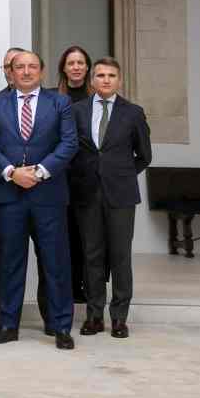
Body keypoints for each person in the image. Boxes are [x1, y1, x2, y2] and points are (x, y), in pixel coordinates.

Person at [0, 50, 79, 350]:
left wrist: (39, 171)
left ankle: (61, 326)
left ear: (42, 70)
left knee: (56, 262)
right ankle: (9, 324)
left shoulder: (59, 102)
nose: (25, 72)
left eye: (32, 67)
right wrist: (11, 173)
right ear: (10, 71)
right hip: (9, 194)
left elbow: (69, 142)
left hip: (48, 195)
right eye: (19, 67)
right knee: (11, 262)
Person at [71, 57, 151, 340]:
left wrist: (120, 174)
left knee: (120, 257)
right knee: (91, 256)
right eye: (101, 75)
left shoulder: (133, 113)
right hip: (86, 193)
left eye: (111, 75)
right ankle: (94, 316)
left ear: (120, 80)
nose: (106, 80)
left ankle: (119, 318)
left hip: (120, 195)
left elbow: (144, 156)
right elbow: (71, 150)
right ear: (92, 80)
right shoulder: (77, 110)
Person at [56, 45, 92, 303]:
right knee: (65, 236)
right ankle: (69, 287)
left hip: (89, 179)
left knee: (88, 238)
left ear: (87, 67)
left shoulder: (97, 98)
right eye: (71, 63)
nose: (76, 67)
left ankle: (89, 286)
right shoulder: (53, 98)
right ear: (64, 68)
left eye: (81, 63)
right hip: (61, 177)